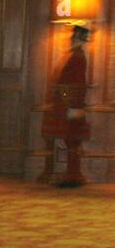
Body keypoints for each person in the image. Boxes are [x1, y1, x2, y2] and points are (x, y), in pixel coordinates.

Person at [41, 24, 91, 187]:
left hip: (70, 104)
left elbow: (76, 84)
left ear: (80, 40)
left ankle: (73, 176)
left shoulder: (77, 57)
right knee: (71, 139)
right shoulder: (75, 55)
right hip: (69, 103)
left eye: (75, 38)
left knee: (72, 139)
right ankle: (72, 175)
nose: (72, 40)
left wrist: (67, 102)